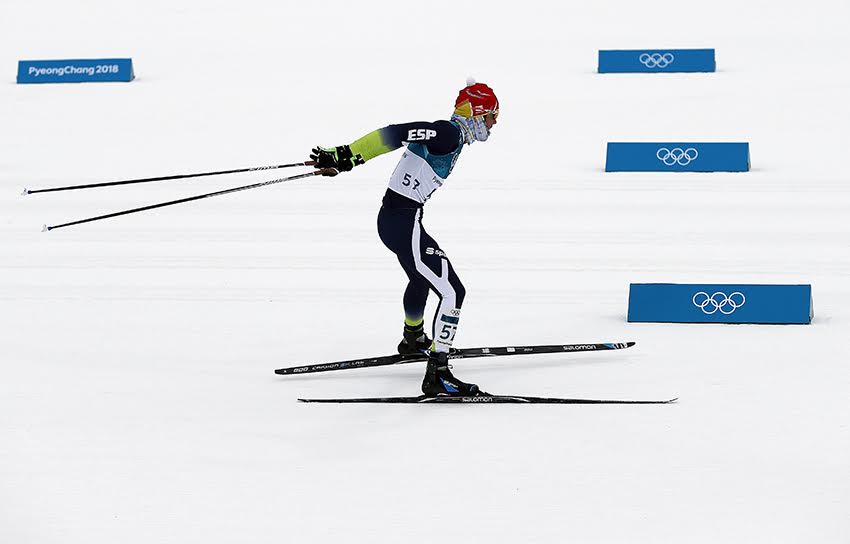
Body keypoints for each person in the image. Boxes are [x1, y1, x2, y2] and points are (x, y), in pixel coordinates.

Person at [309, 78, 499, 397]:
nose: (493, 126)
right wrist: (349, 155)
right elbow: (396, 132)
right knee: (453, 291)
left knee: (421, 277)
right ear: (478, 113)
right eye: (492, 117)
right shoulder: (448, 133)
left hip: (396, 220)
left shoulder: (453, 137)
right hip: (403, 220)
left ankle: (414, 339)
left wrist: (344, 159)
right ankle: (438, 373)